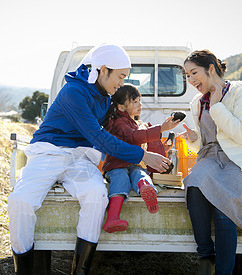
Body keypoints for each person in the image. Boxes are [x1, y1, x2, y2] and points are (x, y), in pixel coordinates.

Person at [7, 44, 172, 275]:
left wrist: (155, 134)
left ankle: (80, 271)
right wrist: (143, 156)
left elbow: (119, 131)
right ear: (103, 70)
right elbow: (98, 136)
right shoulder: (73, 92)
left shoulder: (106, 97)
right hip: (49, 152)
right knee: (20, 201)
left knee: (96, 195)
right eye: (121, 76)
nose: (122, 83)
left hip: (81, 158)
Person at [179, 49, 242, 275]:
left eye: (194, 73)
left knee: (223, 209)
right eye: (187, 75)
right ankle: (206, 256)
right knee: (193, 184)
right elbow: (204, 142)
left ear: (211, 69)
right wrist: (194, 139)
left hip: (234, 160)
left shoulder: (237, 92)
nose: (191, 80)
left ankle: (224, 271)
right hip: (209, 157)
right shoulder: (197, 102)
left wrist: (217, 107)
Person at [102, 84, 179, 233]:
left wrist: (162, 148)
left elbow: (144, 141)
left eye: (139, 101)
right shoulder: (118, 122)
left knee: (140, 173)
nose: (140, 105)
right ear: (121, 107)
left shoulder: (132, 121)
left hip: (134, 164)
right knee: (122, 178)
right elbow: (134, 137)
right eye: (135, 102)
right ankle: (112, 218)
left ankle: (146, 188)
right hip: (116, 166)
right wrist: (161, 129)